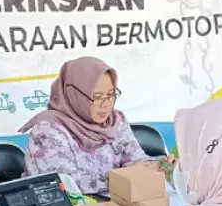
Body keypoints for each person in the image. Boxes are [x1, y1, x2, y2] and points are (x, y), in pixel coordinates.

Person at [20, 57, 161, 196]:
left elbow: (134, 159)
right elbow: (64, 183)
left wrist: (154, 166)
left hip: (114, 204)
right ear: (73, 94)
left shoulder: (115, 121)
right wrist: (118, 179)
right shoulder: (48, 130)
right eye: (97, 97)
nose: (106, 104)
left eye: (111, 94)